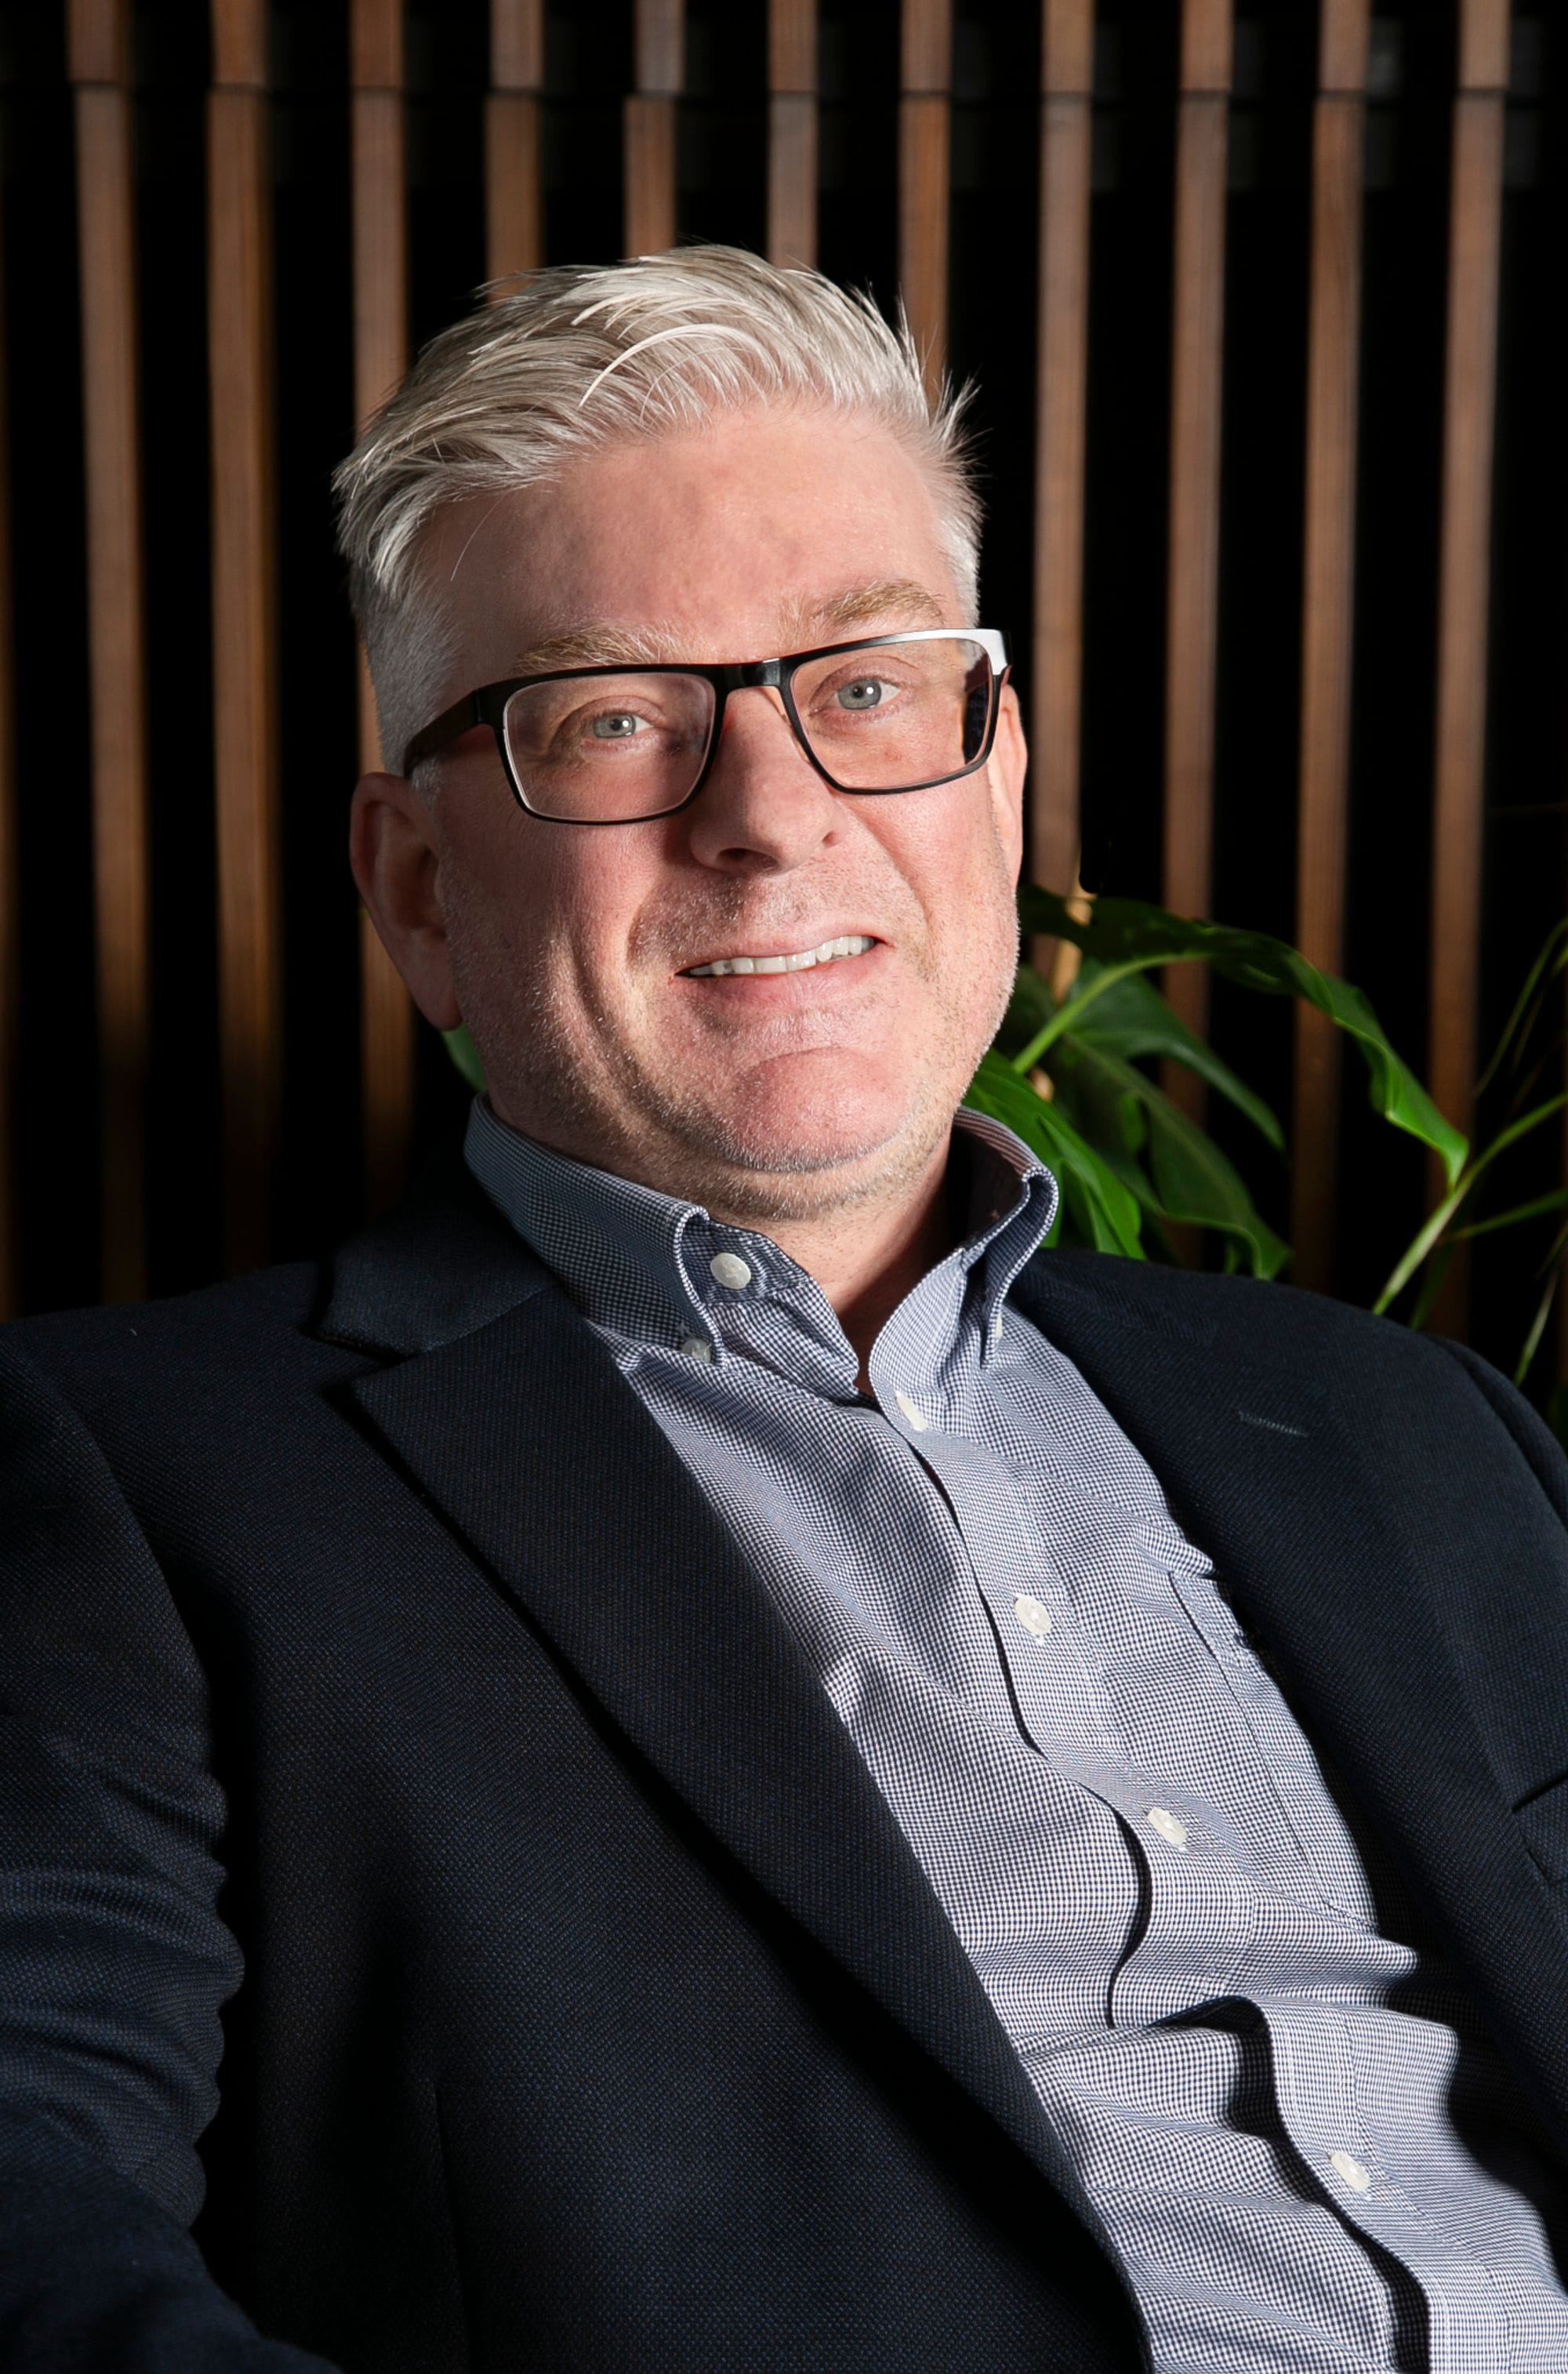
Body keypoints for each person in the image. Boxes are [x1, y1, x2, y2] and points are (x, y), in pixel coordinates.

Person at [4, 247, 1568, 2374]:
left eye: (867, 683)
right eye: (616, 717)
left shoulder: (1418, 1427)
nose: (773, 817)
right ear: (417, 888)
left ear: (995, 788)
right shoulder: (128, 1480)